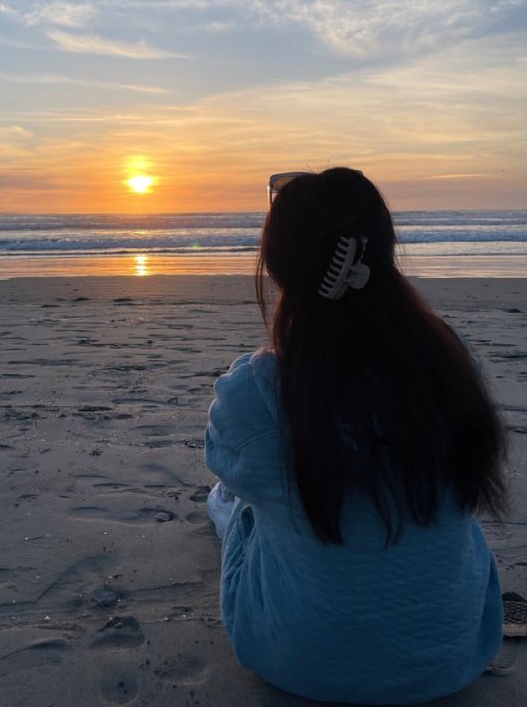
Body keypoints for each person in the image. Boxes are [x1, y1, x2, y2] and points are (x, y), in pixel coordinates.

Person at [205, 167, 508, 705]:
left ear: (279, 268)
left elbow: (225, 465)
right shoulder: (452, 365)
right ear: (384, 250)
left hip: (298, 662)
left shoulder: (256, 390)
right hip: (452, 656)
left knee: (243, 507)